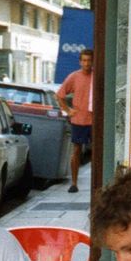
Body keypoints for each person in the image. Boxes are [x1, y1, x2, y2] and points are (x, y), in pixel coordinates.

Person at [56, 48, 93, 193]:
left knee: (97, 153)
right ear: (80, 61)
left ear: (93, 62)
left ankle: (97, 182)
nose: (86, 63)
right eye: (84, 60)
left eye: (89, 60)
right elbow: (59, 95)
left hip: (94, 120)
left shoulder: (96, 76)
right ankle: (74, 183)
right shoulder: (74, 76)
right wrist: (68, 110)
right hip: (79, 120)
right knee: (77, 151)